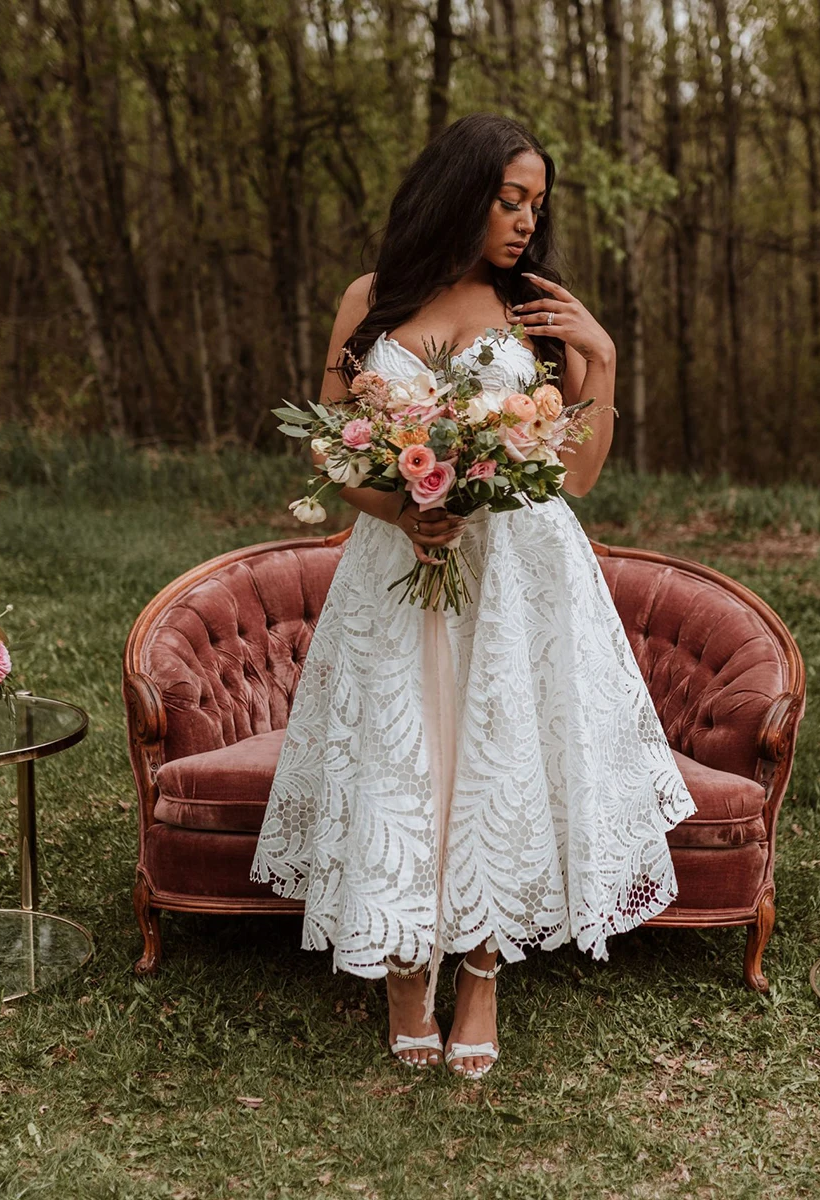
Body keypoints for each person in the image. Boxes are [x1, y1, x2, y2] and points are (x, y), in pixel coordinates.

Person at [250, 112, 696, 1081]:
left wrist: (603, 358)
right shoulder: (371, 302)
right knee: (404, 757)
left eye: (537, 203)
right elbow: (337, 452)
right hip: (400, 571)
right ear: (459, 193)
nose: (527, 220)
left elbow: (574, 479)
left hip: (521, 574)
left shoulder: (537, 313)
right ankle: (406, 973)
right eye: (510, 199)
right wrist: (404, 512)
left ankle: (484, 978)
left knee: (499, 758)